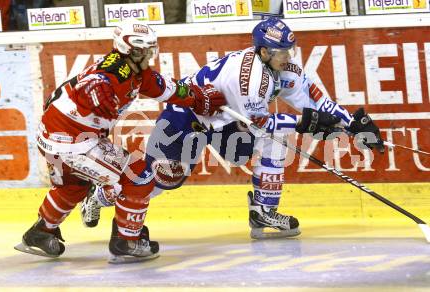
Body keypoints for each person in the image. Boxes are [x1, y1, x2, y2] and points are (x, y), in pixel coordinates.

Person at [80, 17, 384, 240]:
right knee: (160, 180)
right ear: (264, 51)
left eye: (290, 50)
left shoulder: (282, 67)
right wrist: (306, 123)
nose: (288, 57)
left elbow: (314, 99)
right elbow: (261, 122)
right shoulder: (250, 80)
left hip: (226, 122)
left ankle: (263, 212)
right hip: (188, 115)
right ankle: (102, 195)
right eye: (282, 51)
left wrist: (353, 124)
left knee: (276, 142)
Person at [14, 20, 226, 263]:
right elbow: (91, 85)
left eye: (151, 49)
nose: (149, 55)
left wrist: (198, 98)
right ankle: (127, 240)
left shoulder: (137, 73)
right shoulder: (108, 76)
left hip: (56, 138)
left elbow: (169, 90)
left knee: (72, 186)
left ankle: (40, 233)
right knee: (140, 175)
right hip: (72, 143)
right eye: (144, 50)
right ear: (129, 50)